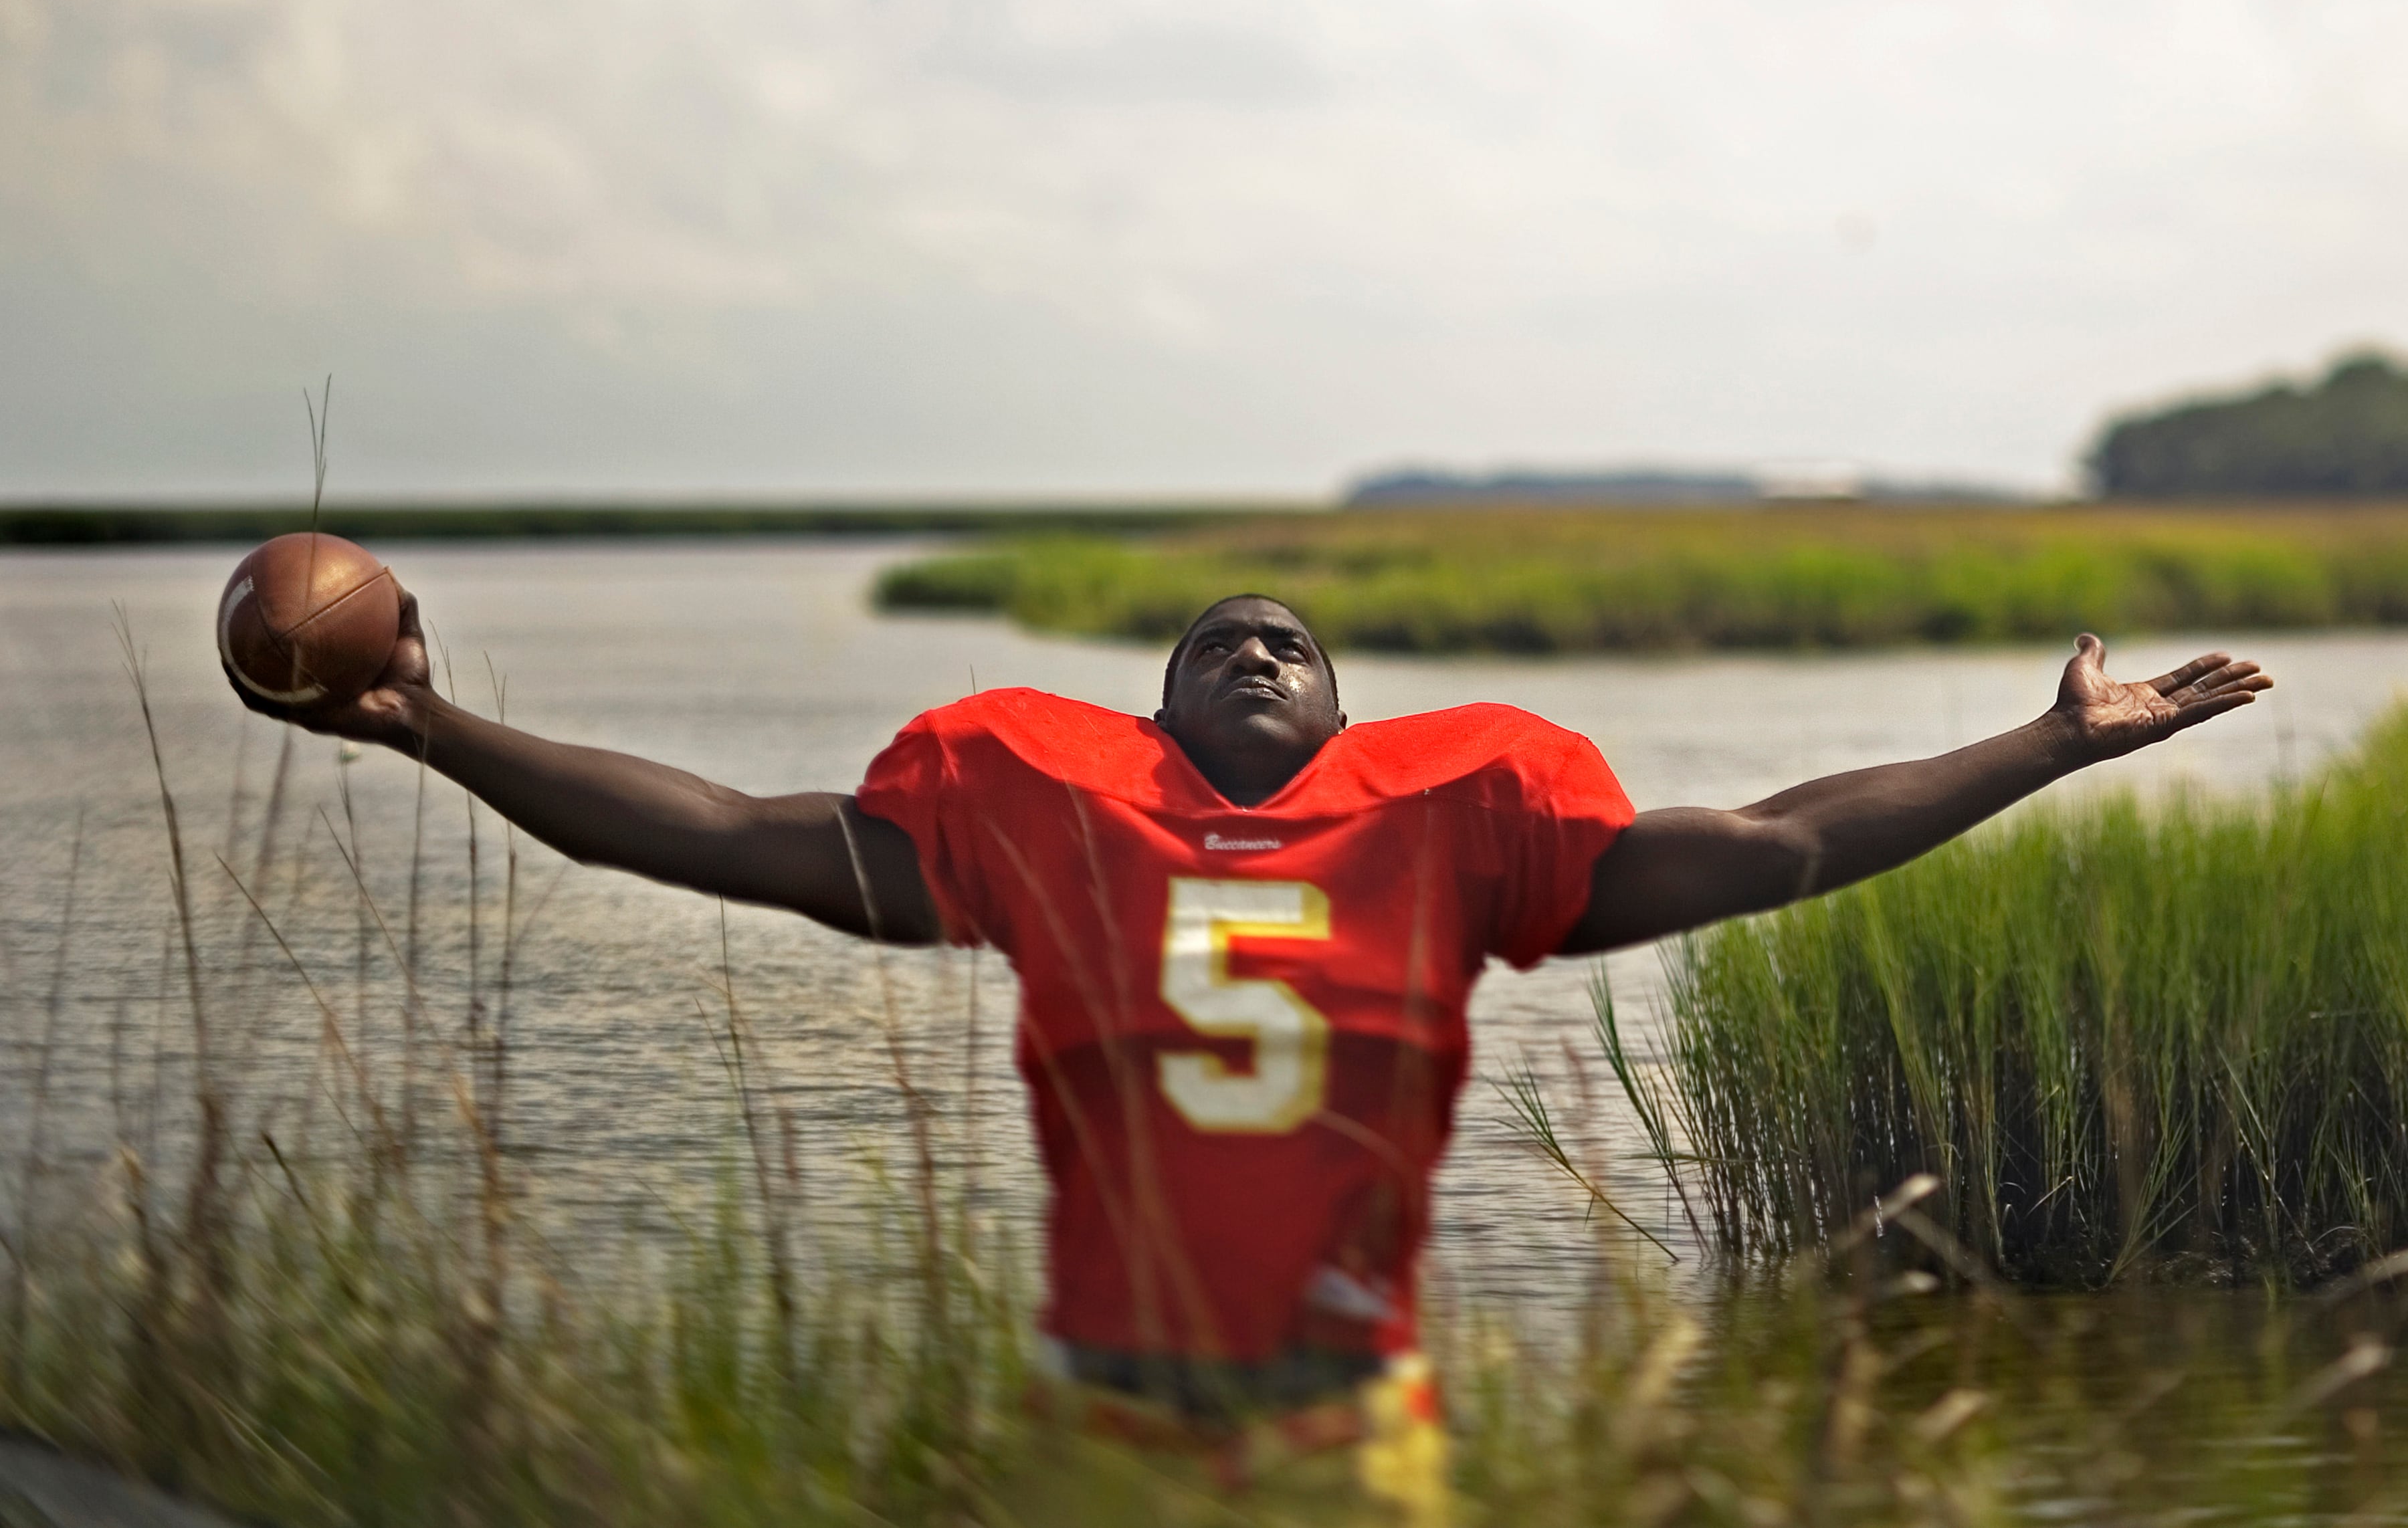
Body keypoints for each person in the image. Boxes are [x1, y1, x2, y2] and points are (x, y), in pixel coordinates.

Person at [231, 584, 2270, 1517]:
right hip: (1097, 1428)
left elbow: (1781, 841)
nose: (1257, 643)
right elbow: (717, 834)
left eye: (1293, 634)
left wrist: (2042, 745)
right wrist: (439, 728)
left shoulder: (1459, 817)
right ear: (1159, 702)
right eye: (1216, 633)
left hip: (1343, 1430)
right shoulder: (1042, 806)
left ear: (1343, 700)